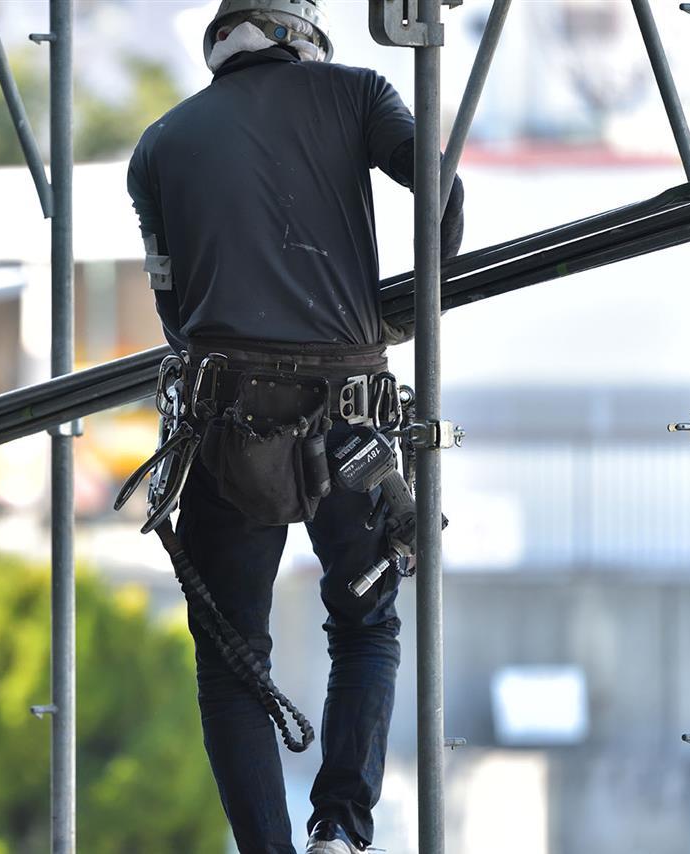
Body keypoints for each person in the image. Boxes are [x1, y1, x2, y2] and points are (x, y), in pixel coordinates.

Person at [125, 2, 465, 852]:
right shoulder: (357, 93)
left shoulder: (158, 145)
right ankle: (340, 831)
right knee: (364, 624)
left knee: (233, 659)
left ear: (219, 47)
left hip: (225, 422)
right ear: (302, 36)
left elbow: (173, 311)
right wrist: (401, 317)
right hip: (351, 421)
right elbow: (440, 190)